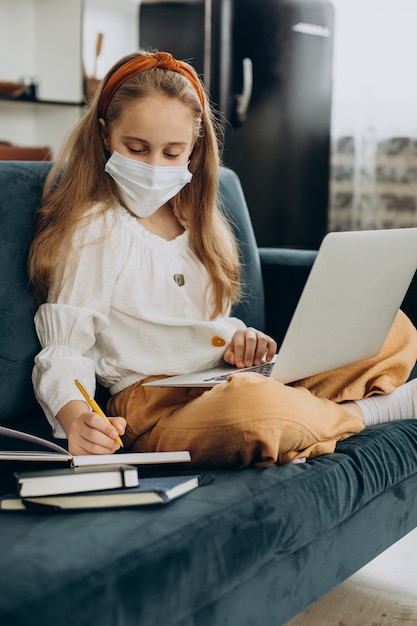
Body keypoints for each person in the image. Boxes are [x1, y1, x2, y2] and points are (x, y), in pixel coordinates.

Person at [28, 50, 417, 466]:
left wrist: (241, 340)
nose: (155, 166)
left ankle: (301, 416)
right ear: (106, 136)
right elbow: (63, 348)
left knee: (391, 328)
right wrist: (76, 418)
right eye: (137, 149)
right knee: (253, 409)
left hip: (225, 377)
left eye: (172, 153)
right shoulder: (95, 230)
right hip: (156, 406)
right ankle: (365, 412)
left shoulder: (201, 226)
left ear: (194, 148)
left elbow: (210, 325)